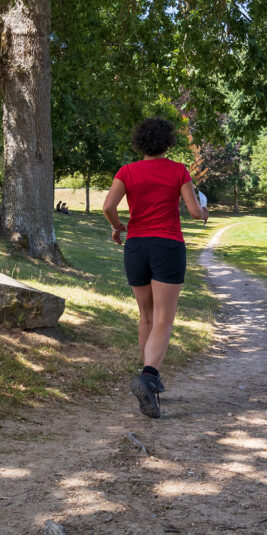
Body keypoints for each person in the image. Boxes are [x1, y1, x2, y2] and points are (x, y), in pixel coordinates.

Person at [103, 117, 209, 418]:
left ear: (140, 143)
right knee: (164, 319)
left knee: (146, 317)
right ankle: (149, 377)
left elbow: (108, 207)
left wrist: (117, 227)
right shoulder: (178, 170)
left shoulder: (127, 171)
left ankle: (149, 377)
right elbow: (193, 211)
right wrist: (205, 213)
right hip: (167, 246)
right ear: (167, 143)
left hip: (136, 247)